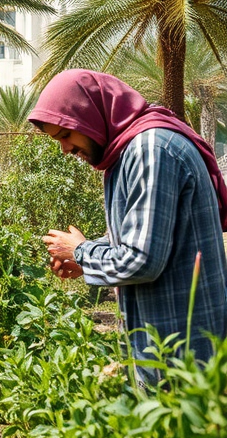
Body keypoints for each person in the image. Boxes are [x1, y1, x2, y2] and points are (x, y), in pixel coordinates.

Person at [33, 69, 227, 383]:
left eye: (66, 135)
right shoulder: (127, 152)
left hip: (183, 351)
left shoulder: (150, 151)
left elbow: (142, 260)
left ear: (91, 115)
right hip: (162, 342)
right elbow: (139, 237)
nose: (65, 149)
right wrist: (85, 263)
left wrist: (82, 251)